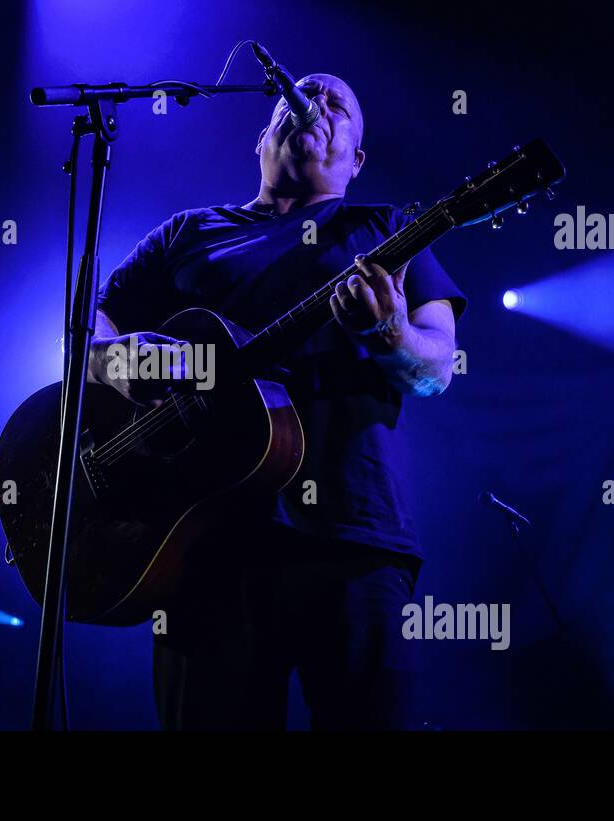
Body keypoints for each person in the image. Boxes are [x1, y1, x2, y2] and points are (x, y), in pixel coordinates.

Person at [91, 74, 466, 730]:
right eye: (300, 95)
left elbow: (438, 365)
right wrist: (139, 365)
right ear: (261, 137)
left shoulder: (386, 230)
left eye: (338, 105)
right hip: (201, 541)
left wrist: (390, 333)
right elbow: (90, 339)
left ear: (358, 159)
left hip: (352, 536)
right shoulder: (187, 232)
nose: (314, 105)